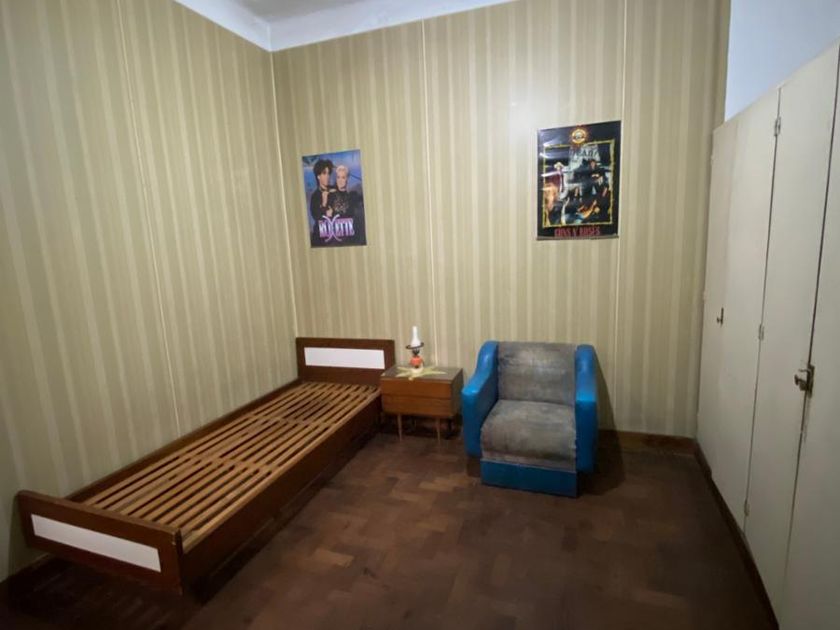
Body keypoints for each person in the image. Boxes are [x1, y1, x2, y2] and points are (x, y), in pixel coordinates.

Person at [309, 159, 334, 245]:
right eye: (324, 173)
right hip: (320, 240)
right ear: (318, 176)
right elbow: (316, 217)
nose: (327, 176)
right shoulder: (315, 196)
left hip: (335, 236)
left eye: (328, 173)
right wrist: (324, 203)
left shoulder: (334, 190)